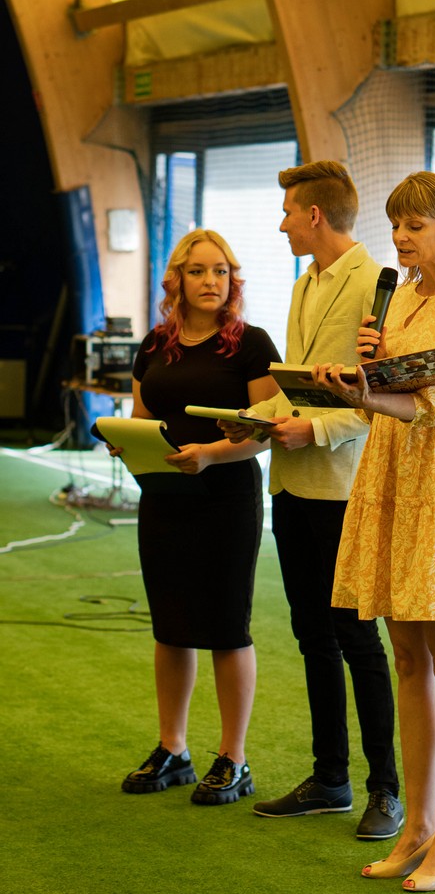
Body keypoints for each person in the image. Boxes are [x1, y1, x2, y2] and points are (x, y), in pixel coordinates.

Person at [315, 171, 435, 891]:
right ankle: (419, 825)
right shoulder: (398, 295)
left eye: (414, 226)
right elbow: (390, 396)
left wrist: (372, 389)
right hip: (390, 467)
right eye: (395, 226)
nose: (399, 239)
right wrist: (357, 381)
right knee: (405, 657)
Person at [221, 161, 403, 840]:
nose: (282, 225)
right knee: (312, 637)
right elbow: (299, 386)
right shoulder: (306, 282)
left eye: (288, 212)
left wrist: (314, 430)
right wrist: (251, 419)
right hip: (292, 486)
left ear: (315, 215)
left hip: (342, 490)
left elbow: (377, 397)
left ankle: (386, 790)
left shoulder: (377, 284)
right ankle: (331, 779)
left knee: (357, 638)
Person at [119, 228, 279, 805]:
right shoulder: (154, 344)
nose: (211, 281)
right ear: (177, 281)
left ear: (233, 280)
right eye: (198, 271)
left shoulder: (252, 345)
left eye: (220, 271)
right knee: (171, 625)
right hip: (163, 497)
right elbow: (141, 418)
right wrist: (124, 441)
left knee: (227, 628)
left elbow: (267, 429)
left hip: (227, 498)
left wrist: (211, 454)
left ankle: (234, 758)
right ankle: (174, 749)